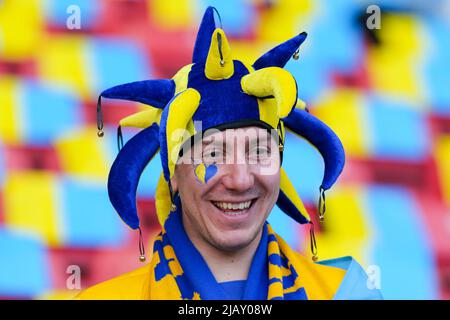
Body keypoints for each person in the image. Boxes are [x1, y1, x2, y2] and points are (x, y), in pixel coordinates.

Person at [76, 7, 382, 300]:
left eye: (259, 151)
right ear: (174, 175)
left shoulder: (345, 293)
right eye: (212, 155)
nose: (239, 179)